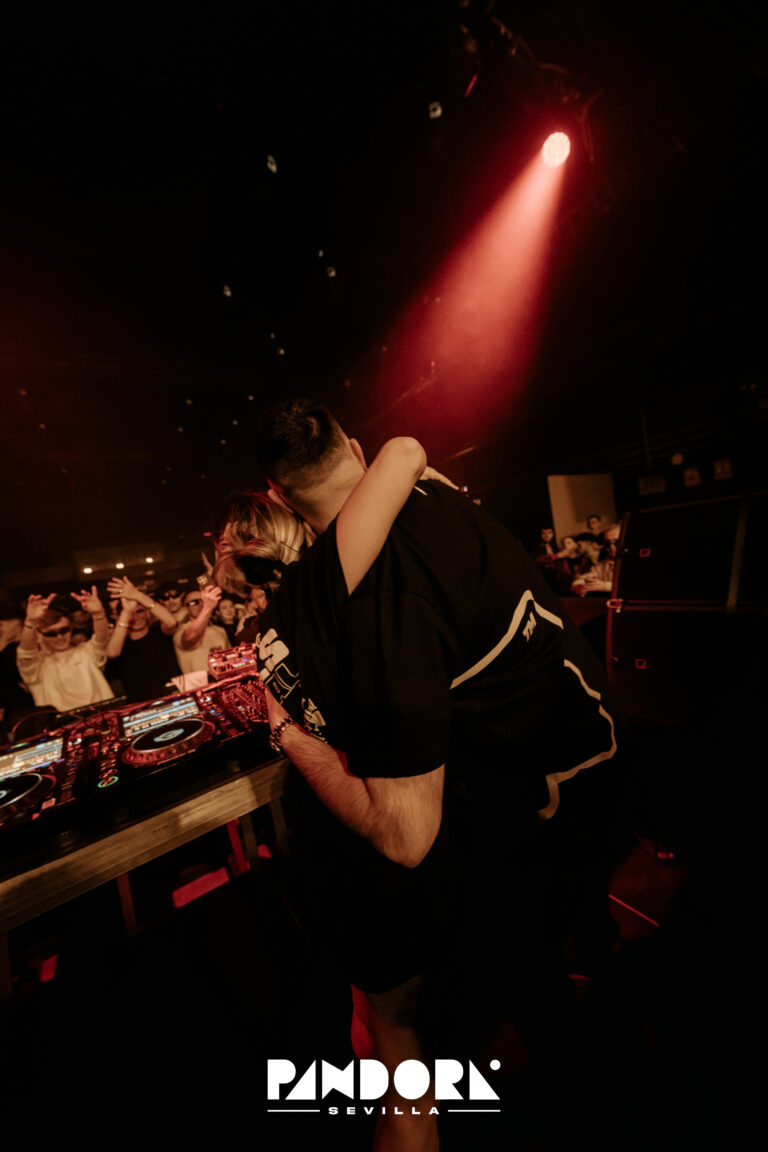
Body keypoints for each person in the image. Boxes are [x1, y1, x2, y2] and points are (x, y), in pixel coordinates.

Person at [219, 402, 625, 1149]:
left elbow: (406, 835)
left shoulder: (375, 598)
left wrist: (292, 737)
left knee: (520, 1000)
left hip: (533, 816)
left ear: (278, 495)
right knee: (551, 978)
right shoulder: (421, 484)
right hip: (590, 764)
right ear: (355, 447)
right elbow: (407, 447)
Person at [16, 587, 113, 713]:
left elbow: (101, 639)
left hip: (102, 716)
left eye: (64, 630)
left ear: (71, 628)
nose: (60, 637)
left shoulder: (85, 652)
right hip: (63, 723)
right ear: (39, 636)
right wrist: (31, 622)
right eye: (51, 633)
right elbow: (26, 653)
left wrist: (99, 615)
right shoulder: (37, 665)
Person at [105, 576, 180, 703]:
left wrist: (138, 596)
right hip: (141, 705)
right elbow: (112, 653)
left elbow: (172, 622)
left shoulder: (159, 632)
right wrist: (126, 611)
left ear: (147, 613)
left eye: (139, 611)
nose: (136, 617)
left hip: (174, 698)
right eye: (131, 614)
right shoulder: (120, 644)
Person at [172, 584, 229, 686]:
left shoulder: (220, 630)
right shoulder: (180, 631)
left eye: (202, 600)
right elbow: (190, 637)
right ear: (185, 608)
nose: (200, 605)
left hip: (225, 685)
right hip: (199, 689)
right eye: (194, 602)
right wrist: (207, 607)